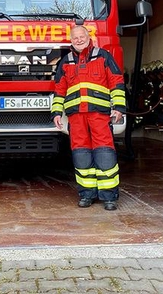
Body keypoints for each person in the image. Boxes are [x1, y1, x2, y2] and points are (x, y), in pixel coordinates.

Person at [52, 25, 126, 210]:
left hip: (99, 115)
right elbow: (59, 89)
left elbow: (116, 81)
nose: (79, 40)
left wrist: (119, 107)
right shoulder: (65, 62)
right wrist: (56, 112)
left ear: (88, 36)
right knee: (81, 156)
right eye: (75, 37)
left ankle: (109, 197)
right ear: (71, 40)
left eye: (81, 36)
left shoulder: (103, 56)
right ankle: (87, 194)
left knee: (105, 153)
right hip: (76, 117)